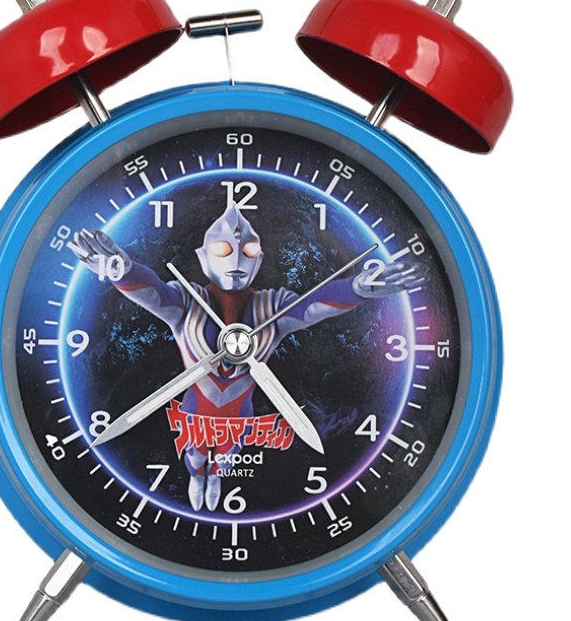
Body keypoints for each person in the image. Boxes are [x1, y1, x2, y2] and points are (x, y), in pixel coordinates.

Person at [70, 204, 426, 512]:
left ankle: (215, 477)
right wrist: (122, 270)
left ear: (260, 259)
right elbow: (153, 293)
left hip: (240, 414)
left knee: (226, 457)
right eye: (222, 249)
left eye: (250, 249)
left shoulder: (274, 307)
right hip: (195, 411)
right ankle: (198, 475)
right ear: (203, 258)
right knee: (195, 454)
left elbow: (313, 306)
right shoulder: (186, 302)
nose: (237, 259)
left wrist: (357, 288)